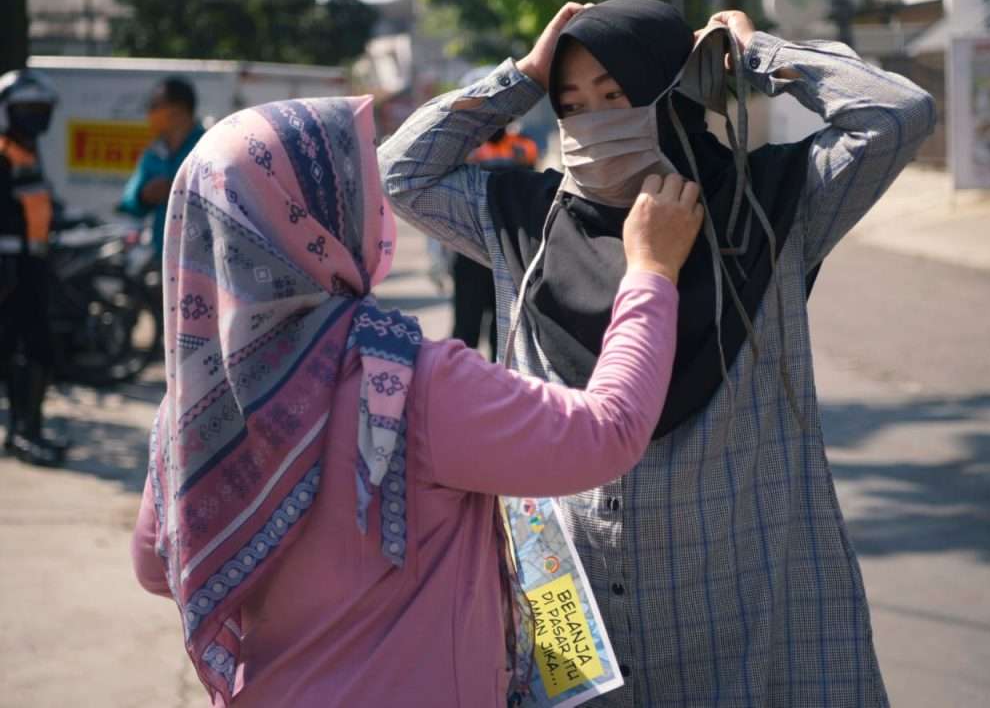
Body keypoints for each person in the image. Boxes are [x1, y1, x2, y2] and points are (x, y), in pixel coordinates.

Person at [379, 0, 936, 707]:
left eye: (616, 95)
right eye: (573, 103)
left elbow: (899, 114)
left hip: (750, 615)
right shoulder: (525, 220)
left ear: (673, 89)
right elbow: (401, 172)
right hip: (570, 611)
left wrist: (753, 53)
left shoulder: (765, 204)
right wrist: (524, 73)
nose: (593, 121)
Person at [130, 95, 705, 706]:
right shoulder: (408, 382)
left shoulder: (196, 403)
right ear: (323, 215)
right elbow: (608, 432)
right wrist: (651, 271)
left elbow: (157, 563)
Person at [0, 69, 67, 466]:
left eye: (41, 109)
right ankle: (22, 432)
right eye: (27, 109)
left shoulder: (28, 153)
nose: (36, 116)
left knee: (39, 350)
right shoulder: (3, 153)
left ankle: (29, 429)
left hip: (33, 266)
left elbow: (38, 207)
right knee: (18, 351)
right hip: (9, 271)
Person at [453, 125, 540, 359]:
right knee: (466, 326)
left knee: (503, 327)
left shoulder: (523, 145)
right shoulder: (466, 148)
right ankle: (457, 383)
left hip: (508, 249)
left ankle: (497, 381)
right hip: (470, 248)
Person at [118, 76, 205, 256]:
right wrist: (143, 196)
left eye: (155, 106)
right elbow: (129, 201)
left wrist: (182, 192)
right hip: (162, 256)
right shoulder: (154, 152)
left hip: (201, 258)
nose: (150, 113)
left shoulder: (208, 147)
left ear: (179, 109)